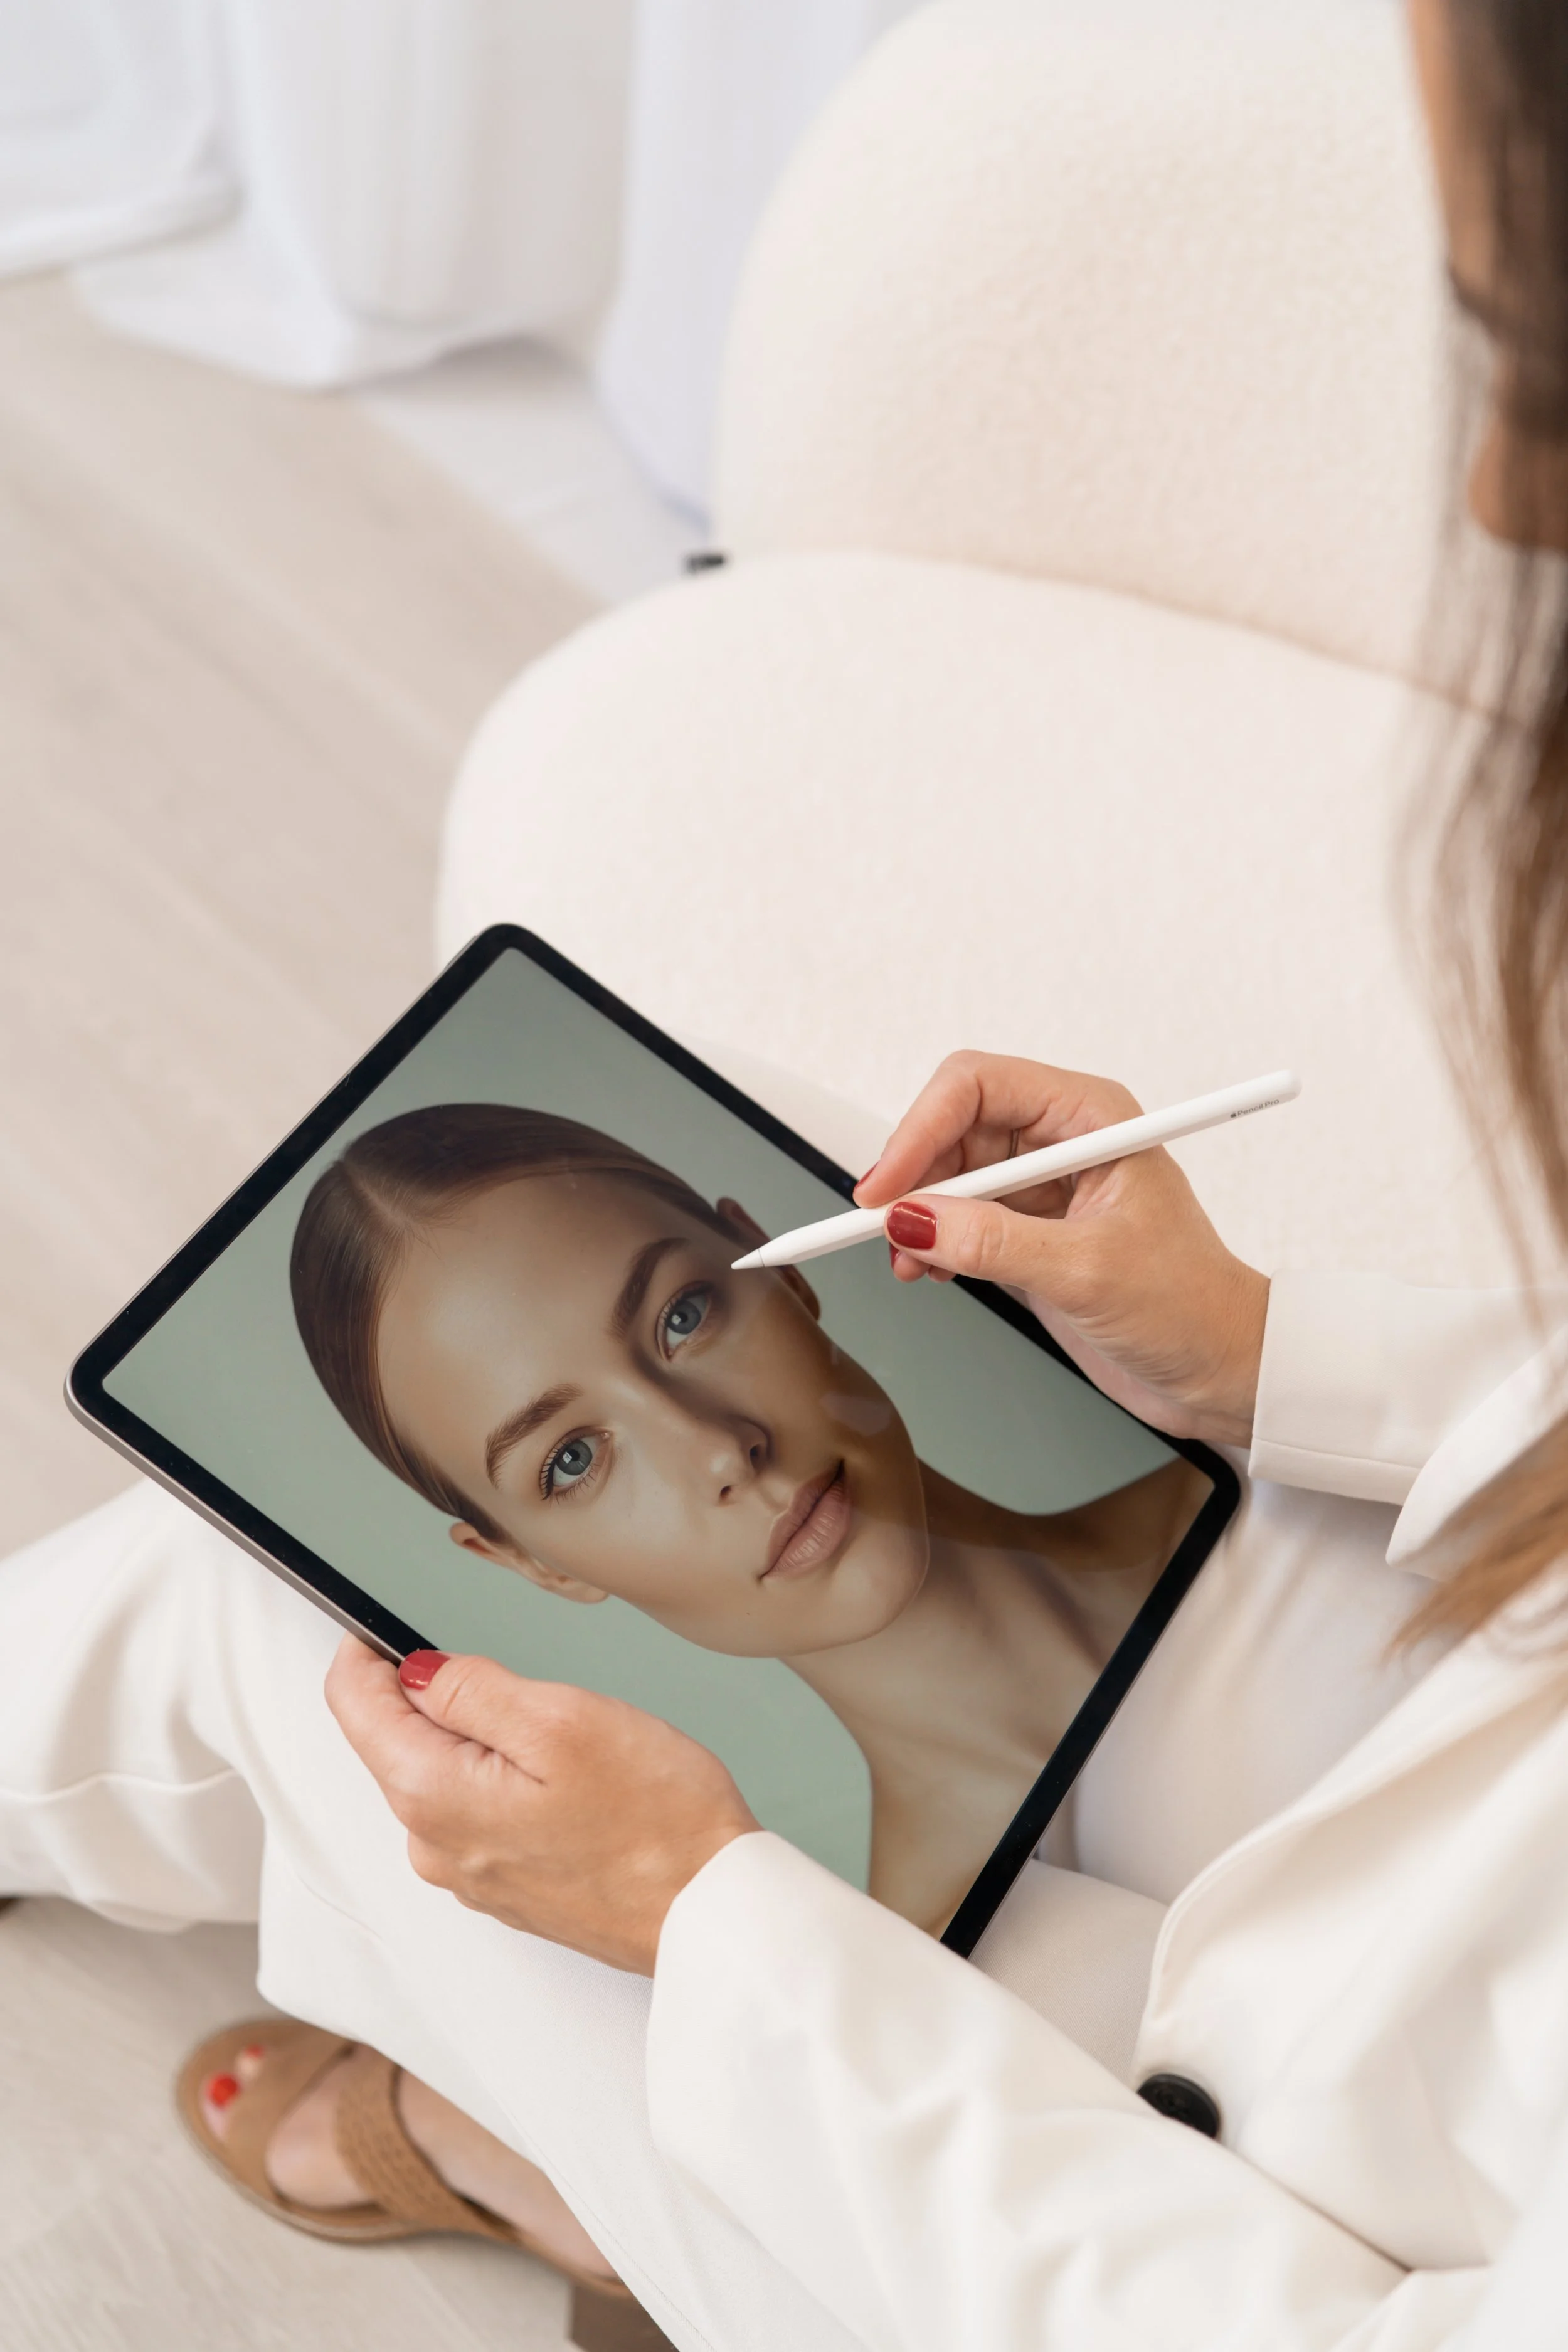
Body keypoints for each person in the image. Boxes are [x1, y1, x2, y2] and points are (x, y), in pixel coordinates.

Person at [3, 1, 1567, 2344]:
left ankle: (520, 2158)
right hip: (1462, 1765)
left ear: (782, 1278)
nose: (1488, 506)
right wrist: (1270, 1350)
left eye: (1517, 363)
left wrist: (704, 1930)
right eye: (569, 1442)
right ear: (516, 1545)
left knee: (266, 1618)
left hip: (1313, 2208)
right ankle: (560, 2163)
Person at [289, 1103, 1203, 1931]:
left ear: (785, 1273)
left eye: (683, 1316)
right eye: (573, 1459)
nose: (721, 1451)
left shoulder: (1269, 1450)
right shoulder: (914, 1981)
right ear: (536, 1564)